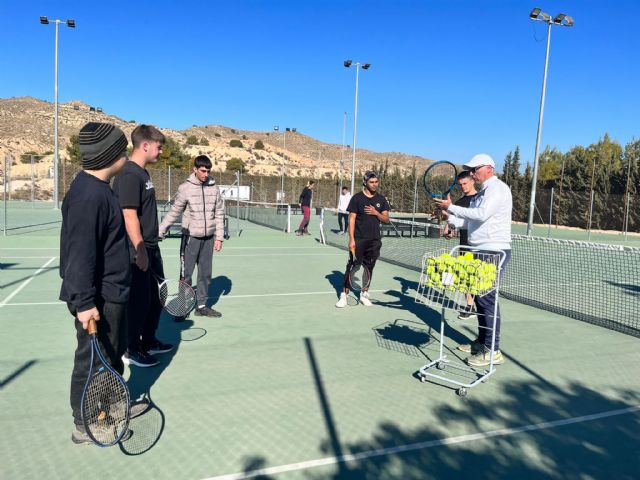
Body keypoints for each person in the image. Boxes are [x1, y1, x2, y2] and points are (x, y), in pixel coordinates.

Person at [60, 122, 147, 444]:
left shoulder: (99, 189)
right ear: (109, 155)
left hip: (113, 294)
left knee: (112, 356)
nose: (126, 153)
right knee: (92, 362)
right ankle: (85, 424)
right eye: (121, 149)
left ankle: (112, 405)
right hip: (99, 298)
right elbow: (79, 255)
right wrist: (84, 303)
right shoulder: (88, 196)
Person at [434, 153, 512, 367]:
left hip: (493, 251)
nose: (471, 173)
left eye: (474, 169)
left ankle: (493, 350)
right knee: (478, 298)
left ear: (489, 169)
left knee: (487, 299)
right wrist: (448, 217)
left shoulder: (498, 189)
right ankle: (482, 342)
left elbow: (481, 214)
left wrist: (450, 207)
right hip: (477, 250)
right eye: (470, 170)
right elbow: (470, 223)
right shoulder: (482, 193)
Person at [113, 125, 173, 368]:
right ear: (145, 145)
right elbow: (129, 215)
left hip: (151, 246)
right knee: (139, 302)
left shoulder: (142, 173)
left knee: (157, 297)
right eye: (159, 147)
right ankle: (131, 349)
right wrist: (140, 251)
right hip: (137, 249)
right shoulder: (129, 175)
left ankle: (148, 341)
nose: (161, 151)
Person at [159, 155, 225, 318]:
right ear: (195, 169)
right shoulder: (185, 188)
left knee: (205, 274)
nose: (206, 174)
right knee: (186, 275)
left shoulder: (214, 188)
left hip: (208, 239)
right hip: (190, 238)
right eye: (203, 171)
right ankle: (183, 307)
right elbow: (175, 212)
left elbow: (219, 213)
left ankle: (201, 306)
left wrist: (219, 237)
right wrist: (161, 230)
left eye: (208, 171)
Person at [335, 171, 390, 308]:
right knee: (353, 266)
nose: (375, 184)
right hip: (358, 239)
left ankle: (364, 294)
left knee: (369, 268)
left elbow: (386, 219)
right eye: (371, 182)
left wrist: (376, 213)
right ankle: (344, 295)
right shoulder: (357, 198)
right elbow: (352, 219)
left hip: (375, 240)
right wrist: (351, 239)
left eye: (376, 182)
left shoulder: (381, 199)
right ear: (365, 182)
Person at [441, 170, 478, 320]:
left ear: (473, 181)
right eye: (460, 184)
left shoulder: (480, 200)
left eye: (465, 183)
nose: (463, 186)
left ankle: (478, 306)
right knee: (465, 277)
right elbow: (452, 224)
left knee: (477, 278)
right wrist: (449, 230)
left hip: (479, 246)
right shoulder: (459, 203)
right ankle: (470, 305)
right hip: (463, 245)